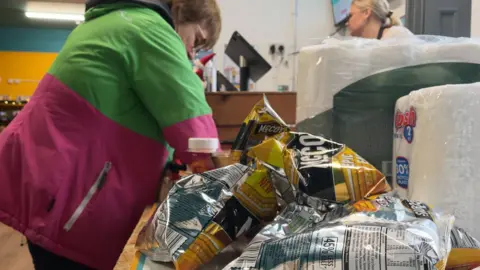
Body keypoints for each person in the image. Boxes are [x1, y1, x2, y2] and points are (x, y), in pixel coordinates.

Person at [0, 0, 221, 269]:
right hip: (71, 199)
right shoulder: (150, 29)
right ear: (182, 10)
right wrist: (220, 177)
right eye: (196, 40)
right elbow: (191, 118)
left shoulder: (112, 21)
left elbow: (134, 108)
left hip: (45, 182)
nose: (190, 52)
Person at [347, 0, 414, 40]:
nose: (347, 23)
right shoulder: (366, 46)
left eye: (350, 16)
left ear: (366, 13)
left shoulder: (398, 36)